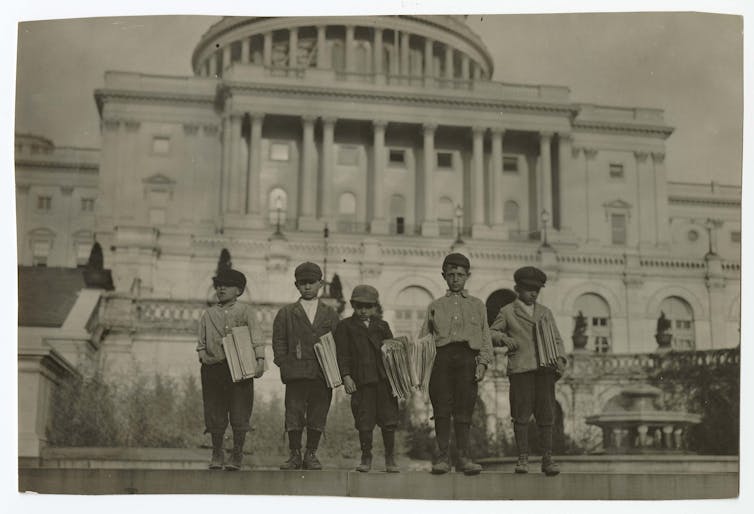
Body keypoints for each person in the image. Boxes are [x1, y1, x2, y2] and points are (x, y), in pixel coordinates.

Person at [420, 253, 494, 476]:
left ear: (467, 276)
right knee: (441, 411)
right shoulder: (435, 306)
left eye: (460, 275)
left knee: (464, 411)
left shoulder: (477, 305)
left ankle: (464, 457)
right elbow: (424, 340)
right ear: (444, 276)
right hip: (441, 360)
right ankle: (443, 458)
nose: (455, 279)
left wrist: (482, 363)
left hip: (466, 360)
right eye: (450, 274)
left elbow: (485, 337)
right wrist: (423, 370)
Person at [489, 266, 567, 476]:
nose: (533, 293)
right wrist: (504, 339)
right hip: (521, 369)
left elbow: (557, 339)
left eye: (537, 290)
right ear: (517, 289)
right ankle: (522, 458)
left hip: (545, 369)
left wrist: (560, 358)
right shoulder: (507, 311)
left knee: (546, 415)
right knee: (521, 415)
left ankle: (547, 458)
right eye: (529, 289)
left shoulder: (545, 312)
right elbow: (492, 332)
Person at [272, 261, 340, 470]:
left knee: (318, 413)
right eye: (302, 283)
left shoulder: (330, 314)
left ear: (320, 284)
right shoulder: (286, 313)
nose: (307, 287)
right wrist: (284, 363)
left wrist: (334, 368)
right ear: (296, 285)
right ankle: (294, 454)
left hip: (322, 374)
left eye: (311, 282)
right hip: (296, 373)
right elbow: (279, 341)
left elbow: (338, 342)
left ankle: (311, 454)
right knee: (294, 412)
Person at [197, 268, 265, 471]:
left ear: (239, 290)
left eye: (226, 285)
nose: (221, 289)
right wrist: (202, 354)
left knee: (240, 411)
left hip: (240, 368)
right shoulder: (208, 314)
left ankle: (237, 453)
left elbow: (256, 335)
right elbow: (201, 342)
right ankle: (217, 452)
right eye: (218, 285)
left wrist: (259, 359)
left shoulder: (246, 312)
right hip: (214, 369)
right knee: (214, 411)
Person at [335, 285, 400, 473]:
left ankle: (390, 458)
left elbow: (393, 352)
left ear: (375, 307)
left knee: (389, 421)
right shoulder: (345, 326)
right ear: (353, 306)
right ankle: (366, 457)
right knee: (364, 421)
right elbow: (342, 354)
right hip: (361, 382)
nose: (363, 310)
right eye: (359, 306)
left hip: (384, 382)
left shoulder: (382, 326)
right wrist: (346, 376)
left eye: (368, 306)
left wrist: (398, 379)